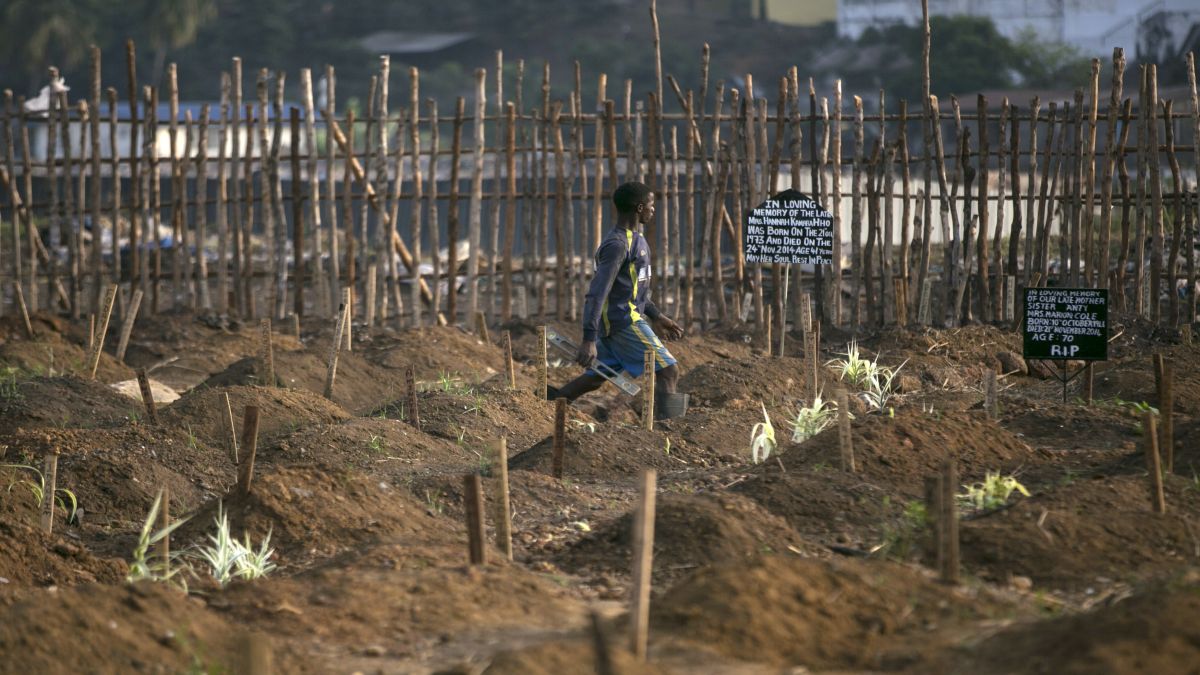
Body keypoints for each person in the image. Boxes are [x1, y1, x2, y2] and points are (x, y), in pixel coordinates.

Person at [549, 181, 689, 419]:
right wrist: (588, 338)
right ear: (639, 208)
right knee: (668, 371)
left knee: (597, 376)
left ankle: (550, 404)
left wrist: (657, 316)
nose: (653, 210)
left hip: (623, 318)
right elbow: (598, 293)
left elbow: (634, 290)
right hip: (625, 321)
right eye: (651, 205)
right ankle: (669, 435)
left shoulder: (637, 240)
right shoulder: (617, 245)